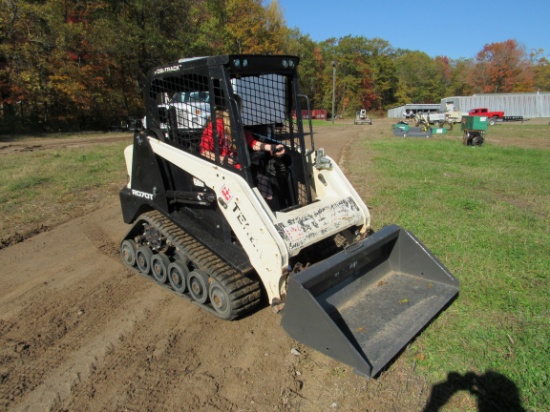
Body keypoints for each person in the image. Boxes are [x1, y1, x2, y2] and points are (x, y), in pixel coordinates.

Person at [200, 95, 285, 201]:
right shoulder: (215, 127)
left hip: (240, 169)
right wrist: (222, 159)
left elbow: (253, 143)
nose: (241, 111)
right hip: (223, 171)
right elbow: (204, 152)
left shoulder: (236, 127)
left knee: (264, 181)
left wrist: (272, 147)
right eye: (240, 107)